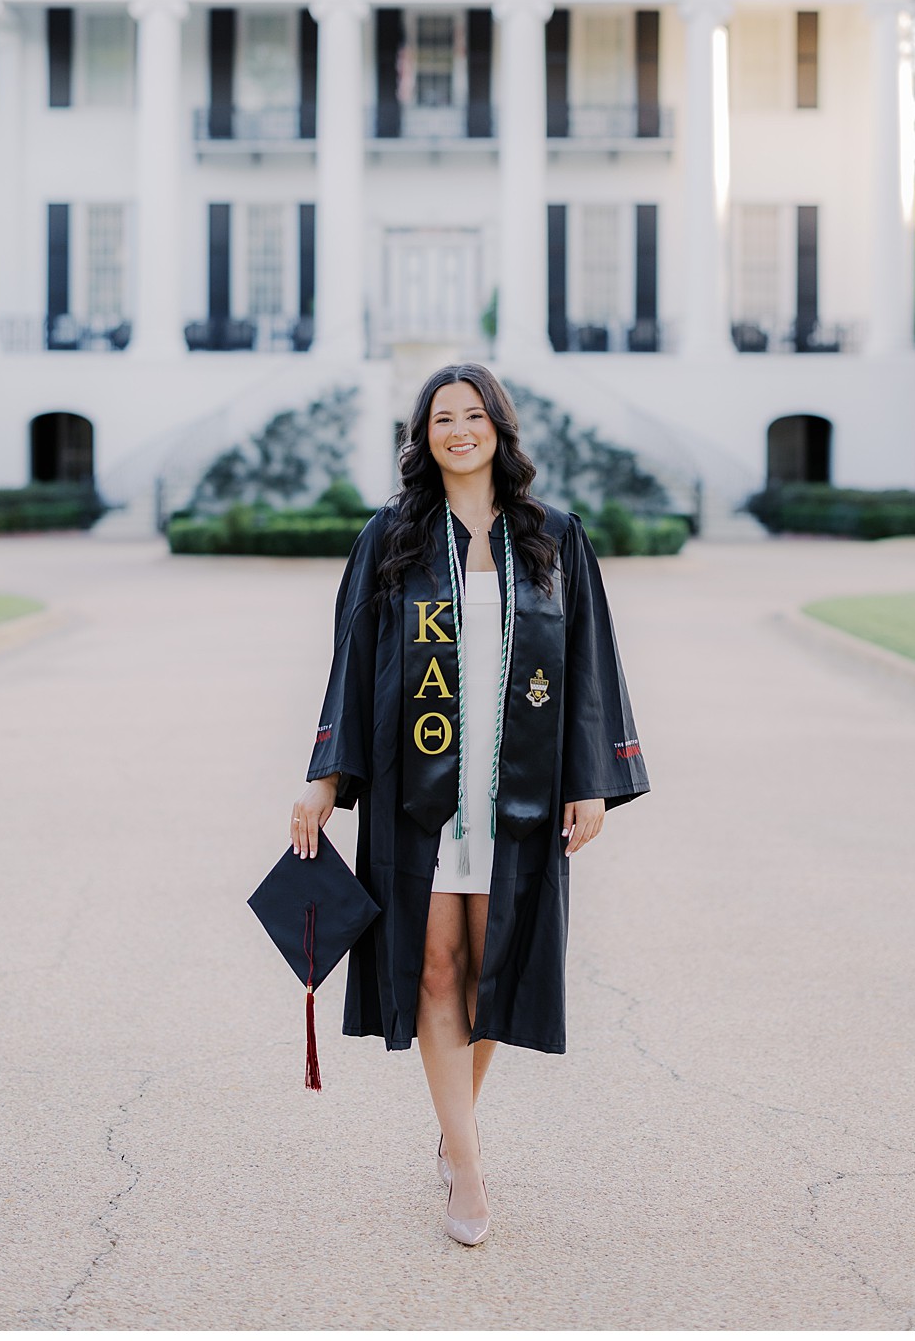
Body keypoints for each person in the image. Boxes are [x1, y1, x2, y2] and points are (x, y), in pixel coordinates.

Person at [288, 362, 649, 1247]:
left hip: (514, 790)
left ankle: (453, 1134)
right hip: (422, 793)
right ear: (422, 438)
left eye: (473, 413)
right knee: (436, 969)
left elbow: (589, 660)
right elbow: (350, 657)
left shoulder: (554, 538)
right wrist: (325, 775)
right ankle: (470, 1166)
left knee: (492, 968)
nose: (458, 429)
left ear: (499, 427)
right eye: (441, 418)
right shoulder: (393, 539)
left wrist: (590, 777)